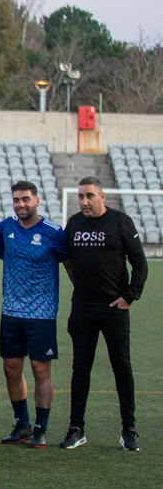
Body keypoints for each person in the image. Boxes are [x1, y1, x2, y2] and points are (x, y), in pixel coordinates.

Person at [60, 177, 148, 451]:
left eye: (89, 196)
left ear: (101, 196)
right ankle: (76, 428)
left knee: (122, 367)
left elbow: (140, 263)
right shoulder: (73, 224)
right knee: (80, 369)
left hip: (114, 309)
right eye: (80, 197)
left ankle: (129, 429)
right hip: (83, 309)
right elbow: (67, 259)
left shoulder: (121, 222)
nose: (84, 201)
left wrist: (130, 297)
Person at [0, 181, 69, 448]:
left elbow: (70, 266)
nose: (21, 204)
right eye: (16, 200)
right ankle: (22, 424)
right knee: (11, 370)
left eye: (26, 199)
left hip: (42, 314)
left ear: (36, 201)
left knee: (40, 370)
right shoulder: (4, 229)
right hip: (11, 312)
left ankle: (41, 427)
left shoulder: (54, 233)